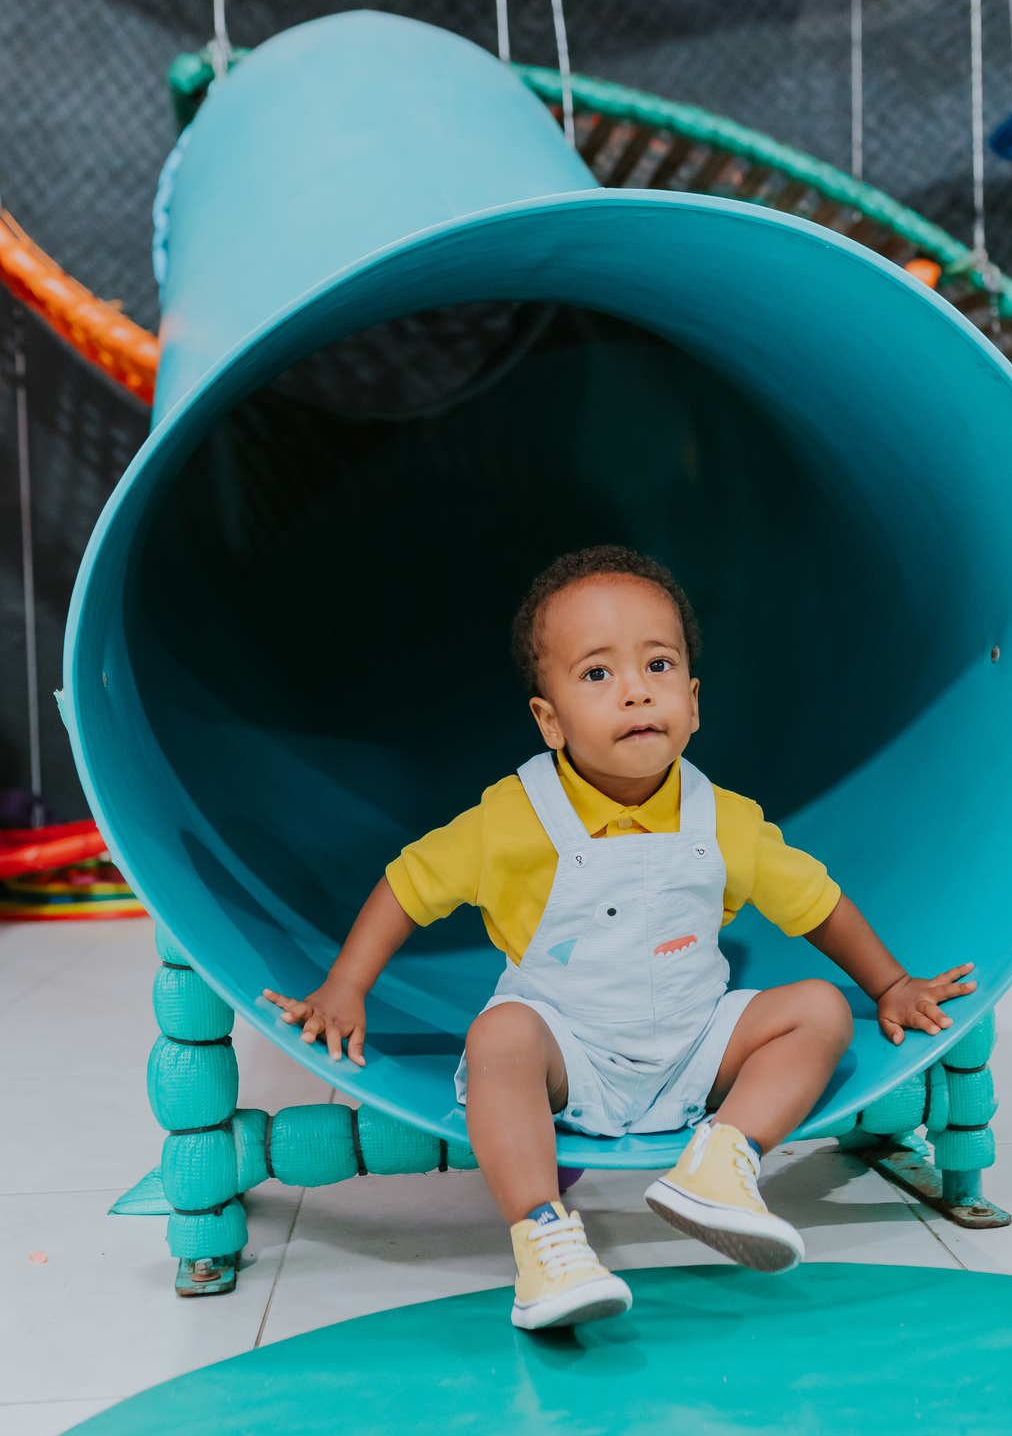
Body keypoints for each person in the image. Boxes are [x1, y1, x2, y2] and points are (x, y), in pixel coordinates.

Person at [264, 546, 975, 1331]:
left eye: (659, 666)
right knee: (502, 1034)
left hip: (697, 1049)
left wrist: (888, 984)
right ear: (550, 719)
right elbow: (410, 884)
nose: (636, 690)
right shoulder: (514, 818)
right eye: (598, 675)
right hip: (571, 1056)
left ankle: (722, 1161)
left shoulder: (725, 820)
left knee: (817, 1011)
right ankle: (545, 1239)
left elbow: (817, 904)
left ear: (695, 702)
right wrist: (347, 986)